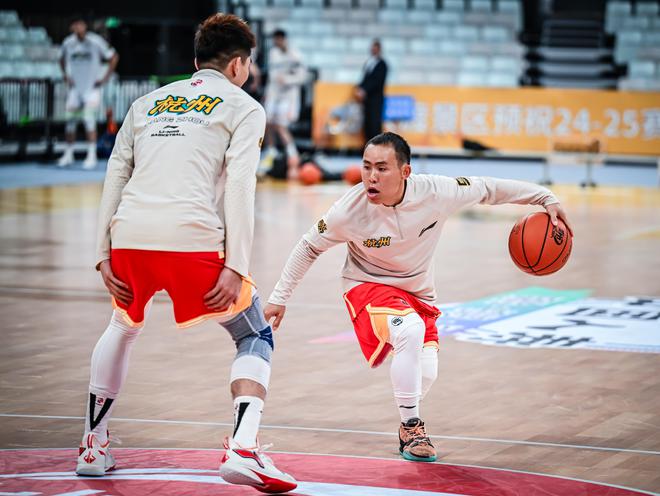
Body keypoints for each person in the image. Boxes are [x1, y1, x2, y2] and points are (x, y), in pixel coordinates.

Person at [75, 13, 297, 493]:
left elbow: (116, 173)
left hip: (129, 238)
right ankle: (243, 449)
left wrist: (102, 253)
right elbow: (240, 187)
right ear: (238, 65)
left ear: (196, 62)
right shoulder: (244, 106)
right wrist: (236, 264)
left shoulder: (147, 102)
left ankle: (92, 445)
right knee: (254, 332)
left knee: (122, 325)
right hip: (191, 240)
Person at [264, 132, 571, 463]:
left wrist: (545, 197)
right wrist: (279, 296)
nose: (371, 176)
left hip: (418, 292)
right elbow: (309, 246)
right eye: (366, 167)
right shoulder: (349, 211)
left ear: (405, 172)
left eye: (382, 168)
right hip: (367, 285)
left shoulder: (436, 192)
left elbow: (488, 188)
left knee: (427, 373)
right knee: (409, 329)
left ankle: (405, 417)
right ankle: (412, 428)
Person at [58, 17, 119, 169]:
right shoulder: (68, 43)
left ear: (85, 26)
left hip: (91, 90)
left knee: (88, 120)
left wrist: (105, 78)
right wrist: (65, 76)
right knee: (70, 122)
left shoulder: (95, 41)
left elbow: (114, 57)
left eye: (81, 24)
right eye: (76, 24)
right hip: (75, 90)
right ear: (72, 27)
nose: (78, 27)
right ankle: (68, 154)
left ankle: (91, 155)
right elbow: (61, 59)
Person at [261, 29, 307, 180]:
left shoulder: (295, 55)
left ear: (284, 39)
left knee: (281, 126)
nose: (276, 42)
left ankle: (293, 155)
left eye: (278, 39)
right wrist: (267, 94)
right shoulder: (273, 53)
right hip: (274, 94)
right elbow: (272, 78)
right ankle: (271, 151)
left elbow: (302, 77)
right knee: (268, 122)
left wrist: (287, 80)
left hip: (288, 96)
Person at [354, 40, 387, 145]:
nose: (373, 50)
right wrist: (359, 88)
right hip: (367, 100)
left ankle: (377, 147)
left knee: (374, 124)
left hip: (375, 100)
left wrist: (364, 90)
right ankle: (368, 147)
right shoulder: (369, 63)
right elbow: (365, 79)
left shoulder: (382, 64)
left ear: (379, 49)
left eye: (375, 48)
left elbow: (377, 81)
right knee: (367, 125)